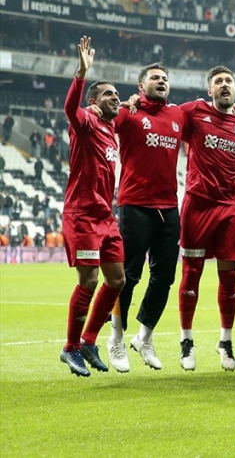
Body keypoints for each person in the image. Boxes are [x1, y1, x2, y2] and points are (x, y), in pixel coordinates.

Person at [108, 62, 186, 371]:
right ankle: (115, 338)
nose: (162, 81)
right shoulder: (128, 113)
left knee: (164, 278)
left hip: (169, 207)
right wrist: (123, 104)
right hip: (135, 204)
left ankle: (144, 337)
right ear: (141, 86)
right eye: (155, 77)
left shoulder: (178, 114)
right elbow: (103, 122)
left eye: (165, 78)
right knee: (127, 276)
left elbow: (209, 119)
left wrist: (233, 109)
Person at [174, 66, 235, 372]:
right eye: (218, 81)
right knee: (191, 273)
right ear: (210, 90)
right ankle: (186, 341)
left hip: (230, 206)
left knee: (229, 277)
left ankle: (225, 342)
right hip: (198, 204)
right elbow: (166, 117)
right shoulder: (194, 111)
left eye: (229, 81)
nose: (224, 85)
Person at [59, 35, 126, 376]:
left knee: (117, 279)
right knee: (88, 279)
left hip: (105, 216)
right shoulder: (85, 122)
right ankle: (70, 347)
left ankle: (88, 340)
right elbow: (69, 109)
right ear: (94, 101)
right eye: (109, 94)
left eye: (117, 94)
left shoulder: (111, 129)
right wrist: (82, 73)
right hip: (82, 214)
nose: (116, 98)